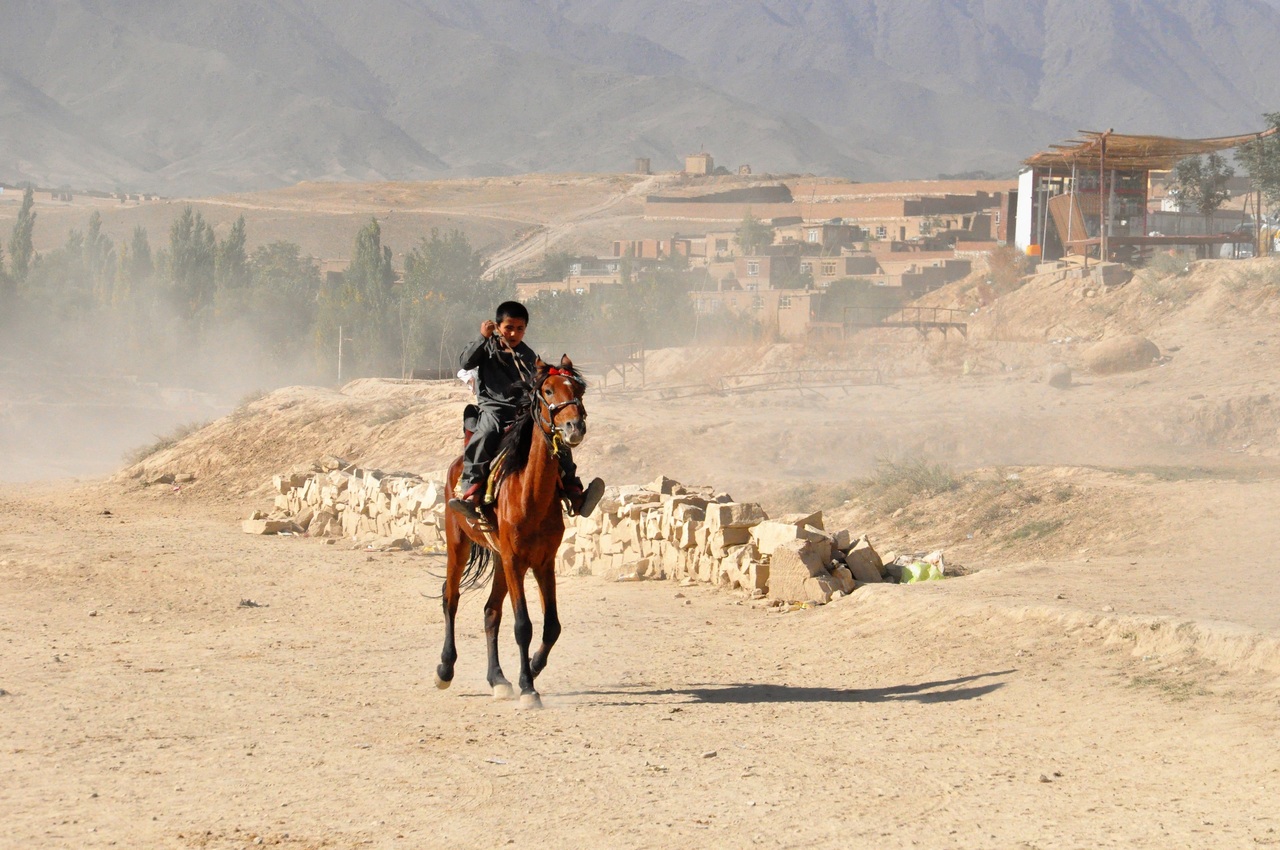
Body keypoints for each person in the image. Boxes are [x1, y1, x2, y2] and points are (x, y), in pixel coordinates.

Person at [447, 300, 603, 521]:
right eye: (508, 327)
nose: (513, 333)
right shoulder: (486, 348)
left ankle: (573, 490)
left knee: (553, 436)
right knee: (487, 433)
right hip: (493, 409)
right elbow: (465, 361)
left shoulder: (528, 356)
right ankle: (471, 492)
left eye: (519, 329)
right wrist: (482, 337)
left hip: (521, 412)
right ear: (498, 327)